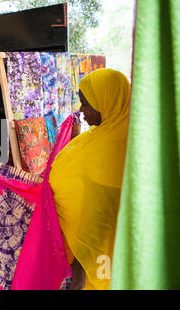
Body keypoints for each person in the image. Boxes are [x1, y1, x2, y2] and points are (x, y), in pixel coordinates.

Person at [49, 68, 131, 290]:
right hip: (87, 251)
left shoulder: (123, 147)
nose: (81, 110)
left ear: (107, 101)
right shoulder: (94, 137)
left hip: (105, 250)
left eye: (86, 104)